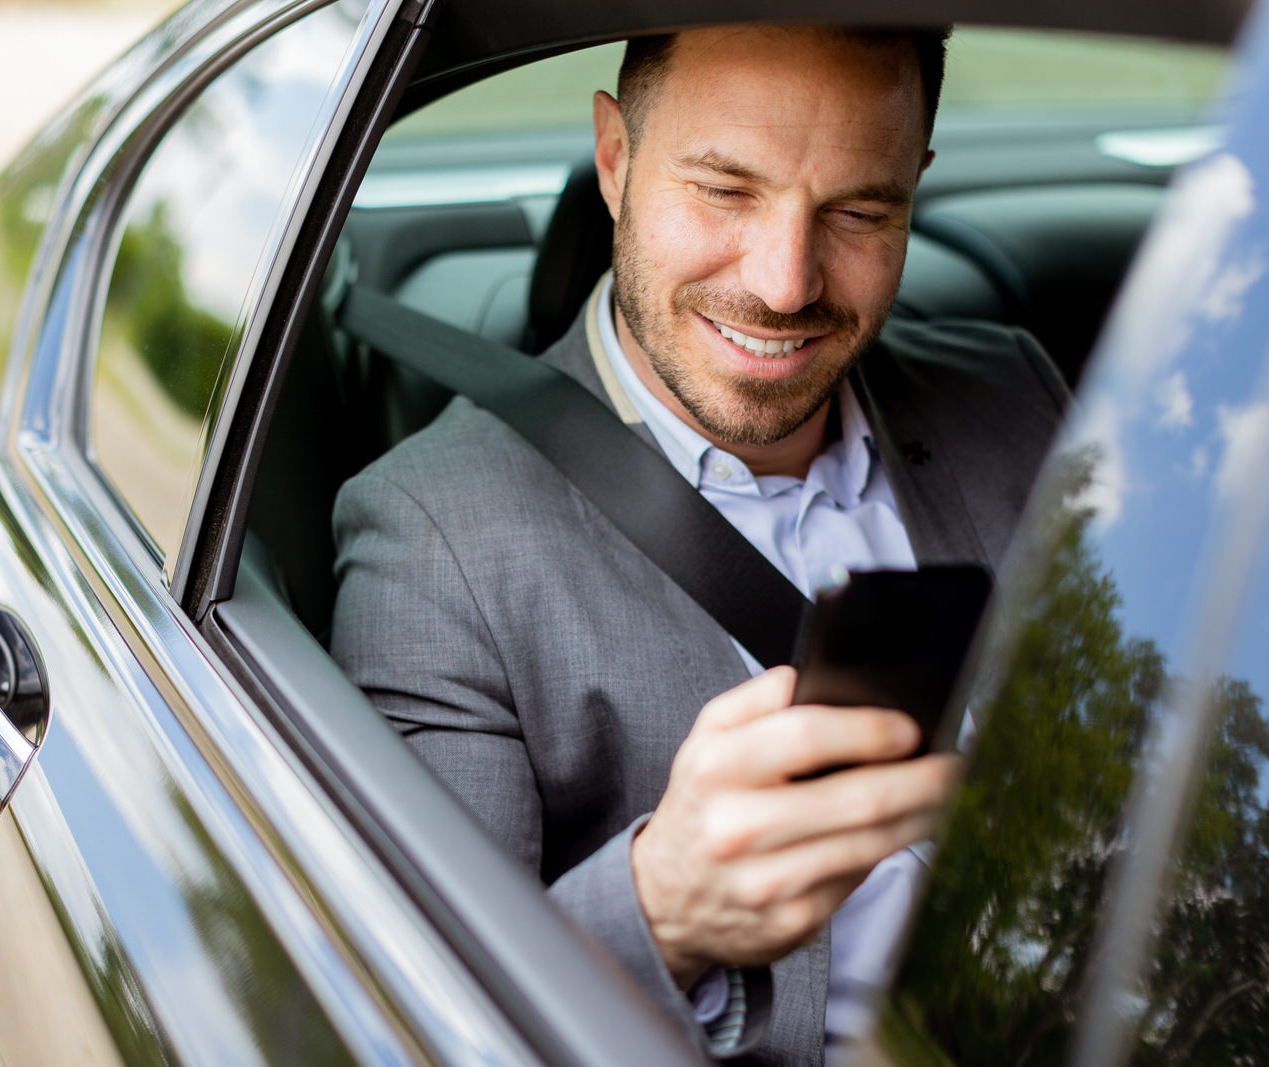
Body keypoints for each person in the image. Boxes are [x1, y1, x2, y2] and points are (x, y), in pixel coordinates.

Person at [330, 24, 1068, 1064]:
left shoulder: (1016, 393)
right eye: (725, 190)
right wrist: (660, 912)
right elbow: (420, 1016)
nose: (783, 283)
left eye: (860, 210)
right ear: (615, 156)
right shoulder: (432, 535)